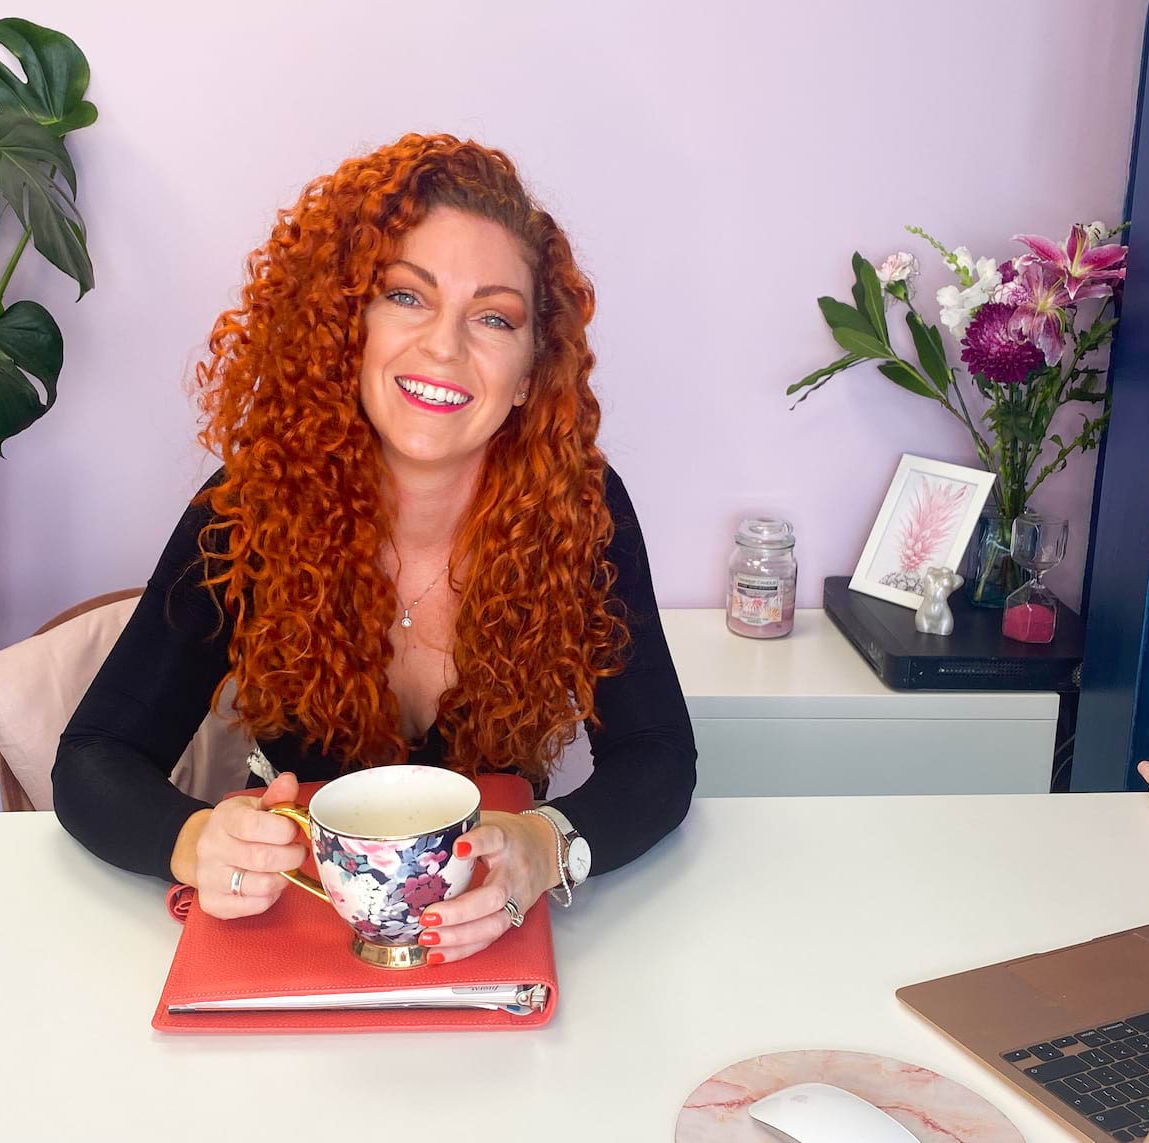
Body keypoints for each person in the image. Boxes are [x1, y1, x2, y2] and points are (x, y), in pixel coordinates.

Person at [54, 133, 696, 965]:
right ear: (344, 323)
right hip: (295, 932)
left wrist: (549, 842)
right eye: (406, 297)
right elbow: (93, 758)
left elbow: (659, 758)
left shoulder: (579, 510)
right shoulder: (248, 507)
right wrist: (195, 839)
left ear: (534, 369)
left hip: (490, 944)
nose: (444, 346)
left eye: (494, 317)